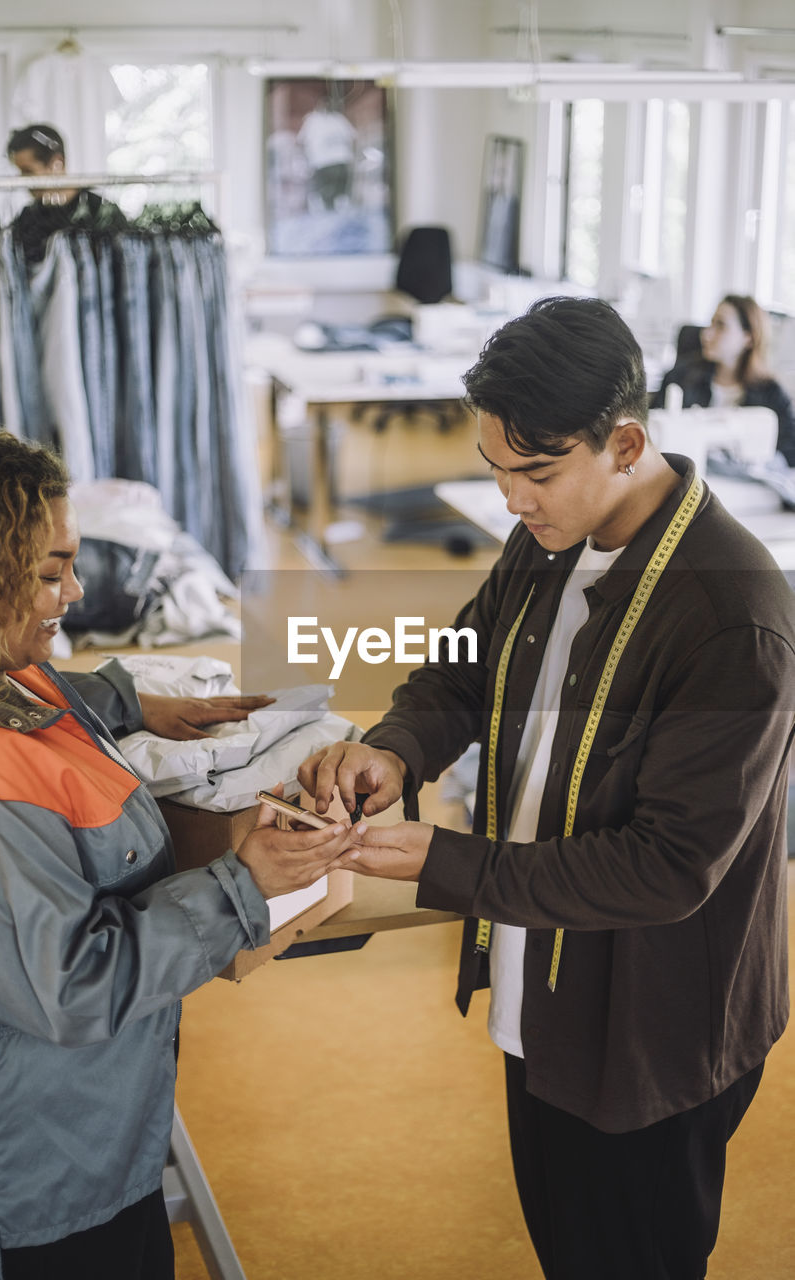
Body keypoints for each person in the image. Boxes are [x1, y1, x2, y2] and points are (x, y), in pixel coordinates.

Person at [299, 297, 795, 1280]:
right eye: (497, 468)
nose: (514, 500)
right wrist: (394, 749)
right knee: (567, 1244)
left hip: (651, 1030)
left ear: (624, 441)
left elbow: (668, 866)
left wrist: (446, 862)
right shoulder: (552, 533)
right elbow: (462, 665)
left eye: (535, 472)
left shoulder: (732, 616)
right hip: (547, 988)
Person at [0, 426, 356, 1279]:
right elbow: (71, 983)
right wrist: (241, 888)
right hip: (30, 1183)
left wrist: (130, 700)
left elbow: (50, 695)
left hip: (89, 1127)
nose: (75, 591)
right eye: (51, 572)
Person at [652, 293, 795, 466]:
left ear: (748, 337)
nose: (706, 334)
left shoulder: (772, 394)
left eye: (721, 325)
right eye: (711, 323)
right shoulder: (679, 378)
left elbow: (789, 455)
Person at [6, 123, 128, 264]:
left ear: (57, 163)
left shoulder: (103, 214)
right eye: (20, 172)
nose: (23, 181)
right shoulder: (27, 217)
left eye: (28, 171)